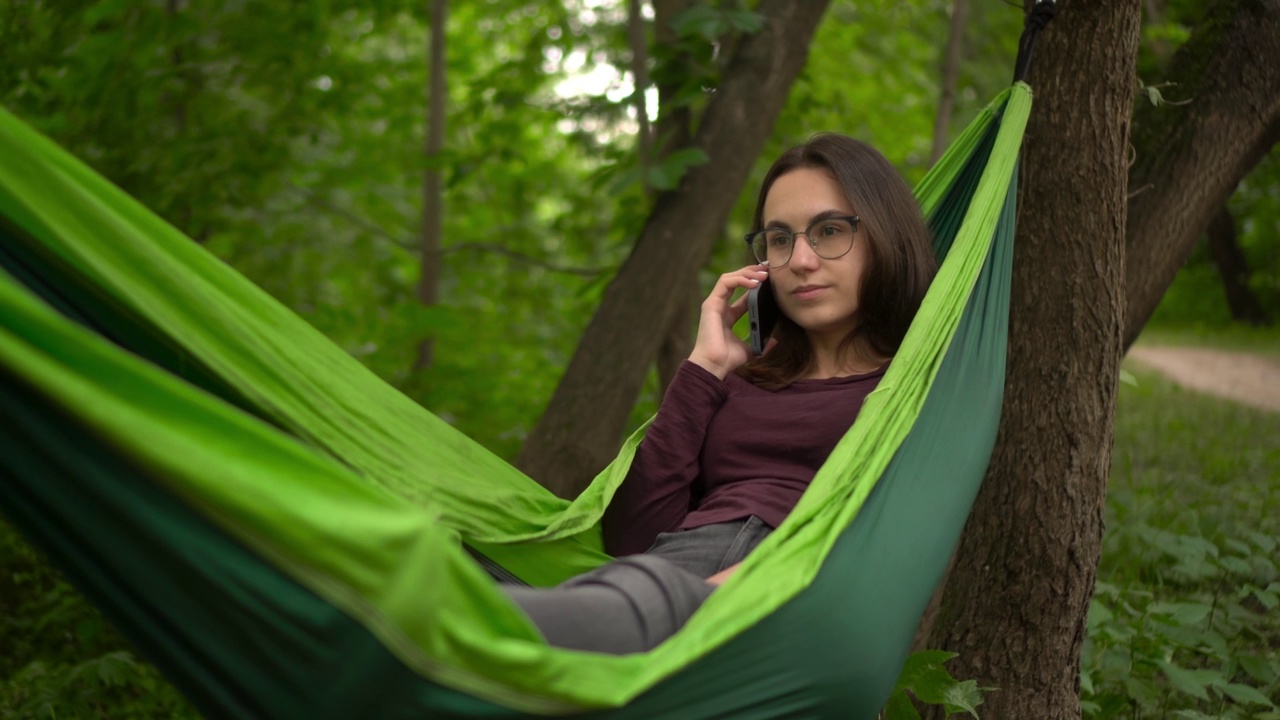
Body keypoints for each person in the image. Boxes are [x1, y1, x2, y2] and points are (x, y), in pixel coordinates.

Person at [502, 133, 937, 654]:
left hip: (763, 604)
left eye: (828, 231)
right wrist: (706, 366)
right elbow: (633, 536)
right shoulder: (739, 382)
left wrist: (720, 601)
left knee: (464, 625)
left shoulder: (915, 386)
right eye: (780, 239)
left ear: (885, 236)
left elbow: (879, 541)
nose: (800, 260)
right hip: (654, 585)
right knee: (450, 558)